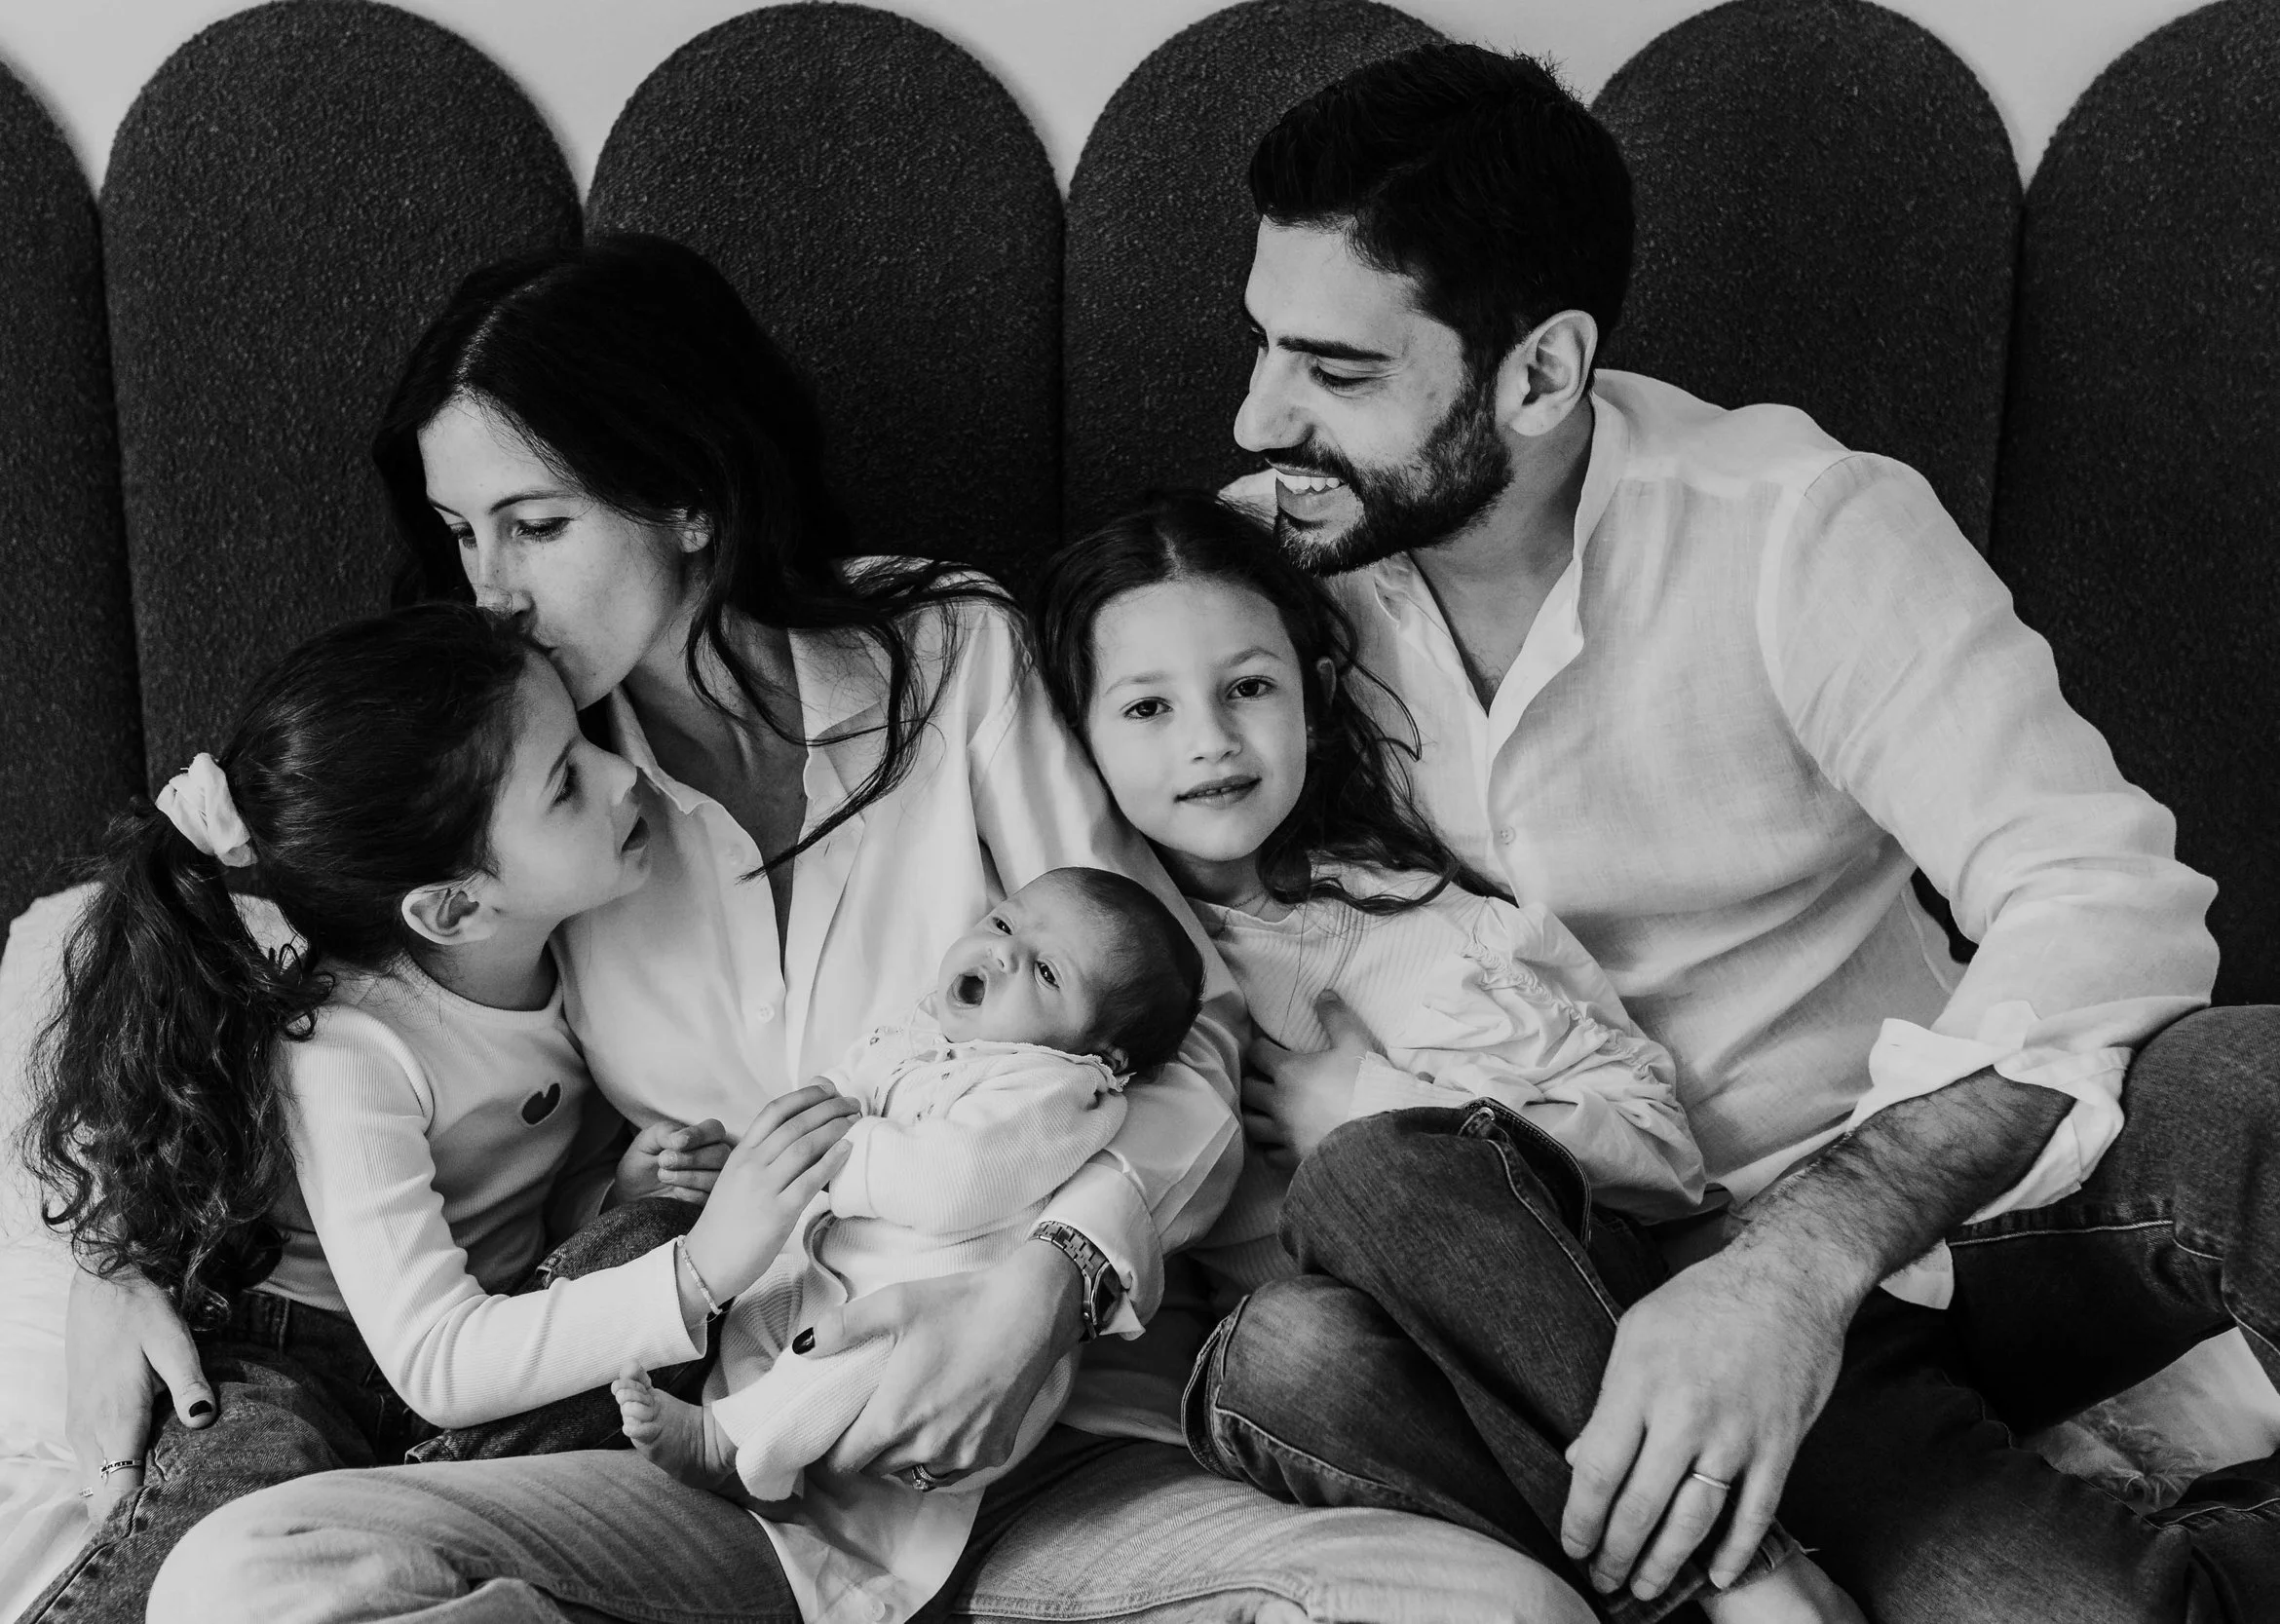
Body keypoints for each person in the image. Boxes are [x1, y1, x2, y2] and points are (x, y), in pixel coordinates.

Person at [131, 235, 1591, 1624]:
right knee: (253, 1571)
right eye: (463, 534)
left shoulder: (952, 655)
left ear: (686, 496)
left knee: (1495, 1607)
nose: (491, 591)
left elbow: (1187, 1025)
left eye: (537, 524)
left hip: (1061, 1458)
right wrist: (82, 1269)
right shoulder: (515, 793)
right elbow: (140, 922)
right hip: (743, 1476)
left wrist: (1053, 1277)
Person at [1210, 39, 2275, 1624]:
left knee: (2256, 1077)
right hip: (1564, 1300)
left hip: (1914, 1218)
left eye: (1338, 372)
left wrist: (1796, 1265)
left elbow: (2100, 892)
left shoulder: (1798, 530)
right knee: (1296, 1358)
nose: (1256, 417)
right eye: (1262, 344)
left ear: (1542, 374)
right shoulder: (1243, 600)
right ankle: (1775, 1548)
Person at [1035, 489, 1857, 1623]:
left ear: (1316, 697)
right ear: (1075, 738)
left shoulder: (1425, 925)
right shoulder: (1074, 972)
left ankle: (1745, 1579)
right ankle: (1714, 1584)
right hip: (1372, 1406)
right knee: (1279, 1344)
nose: (1209, 738)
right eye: (1145, 706)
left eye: (1248, 687)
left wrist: (1381, 1103)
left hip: (1561, 1326)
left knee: (1368, 1161)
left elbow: (1665, 1159)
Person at [14, 602, 862, 1623]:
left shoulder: (580, 956)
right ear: (453, 906)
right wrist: (703, 1268)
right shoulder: (347, 1044)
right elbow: (434, 1355)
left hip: (480, 1349)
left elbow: (529, 1216)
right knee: (226, 1514)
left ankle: (418, 1506)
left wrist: (614, 1191)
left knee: (649, 1237)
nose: (623, 774)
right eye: (566, 781)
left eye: (587, 743)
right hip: (302, 1353)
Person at [614, 867, 1203, 1619]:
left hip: (945, 1335)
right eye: (1003, 923)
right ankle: (758, 1450)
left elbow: (951, 1181)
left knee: (859, 1355)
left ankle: (726, 1442)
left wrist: (826, 1156)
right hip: (840, 1269)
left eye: (1047, 971)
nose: (1005, 952)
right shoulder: (918, 1032)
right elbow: (837, 1090)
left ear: (1106, 1055)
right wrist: (763, 1149)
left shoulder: (1054, 1089)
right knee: (766, 1311)